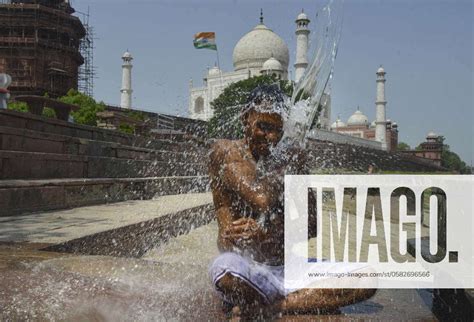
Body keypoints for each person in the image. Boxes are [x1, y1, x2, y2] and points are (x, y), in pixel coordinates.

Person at [208, 84, 375, 318]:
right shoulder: (225, 151)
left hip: (289, 269)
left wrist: (268, 234)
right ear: (246, 118)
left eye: (278, 130)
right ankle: (281, 299)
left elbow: (312, 224)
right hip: (246, 270)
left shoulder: (289, 158)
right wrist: (290, 161)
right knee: (225, 274)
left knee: (367, 276)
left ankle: (275, 306)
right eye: (264, 127)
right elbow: (261, 199)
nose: (272, 138)